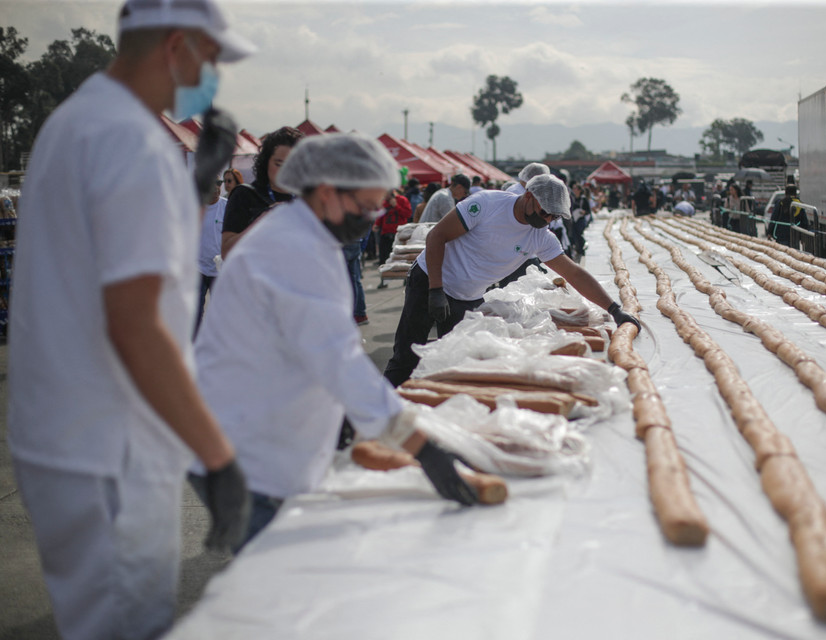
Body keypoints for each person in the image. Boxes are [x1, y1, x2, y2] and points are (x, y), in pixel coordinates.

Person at [7, 2, 254, 638]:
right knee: (125, 625)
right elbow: (137, 325)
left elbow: (105, 255)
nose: (215, 74)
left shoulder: (79, 121)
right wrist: (217, 455)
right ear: (178, 46)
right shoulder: (133, 143)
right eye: (213, 58)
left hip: (69, 429)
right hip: (109, 438)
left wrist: (194, 185)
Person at [192, 133, 479, 549]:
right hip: (249, 449)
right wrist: (424, 449)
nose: (369, 218)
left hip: (262, 431)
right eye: (364, 207)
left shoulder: (305, 235)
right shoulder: (294, 249)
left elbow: (314, 346)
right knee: (279, 579)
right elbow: (338, 361)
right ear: (327, 191)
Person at [383, 173, 642, 387]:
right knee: (407, 355)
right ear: (529, 196)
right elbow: (437, 237)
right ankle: (379, 415)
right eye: (545, 212)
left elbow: (573, 273)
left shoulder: (541, 236)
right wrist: (436, 289)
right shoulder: (486, 205)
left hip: (467, 297)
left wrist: (614, 309)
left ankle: (426, 418)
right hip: (430, 280)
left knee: (454, 363)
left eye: (554, 217)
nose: (548, 220)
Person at [220, 126, 302, 259]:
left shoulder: (306, 199)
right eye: (279, 164)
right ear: (266, 162)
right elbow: (226, 252)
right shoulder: (244, 195)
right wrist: (259, 223)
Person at [196, 184, 227, 336]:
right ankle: (193, 346)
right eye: (212, 186)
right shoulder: (197, 208)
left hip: (219, 270)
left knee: (220, 312)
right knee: (195, 312)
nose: (215, 189)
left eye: (219, 185)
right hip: (199, 268)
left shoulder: (226, 206)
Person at [374, 188, 412, 267]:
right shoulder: (383, 202)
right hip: (385, 233)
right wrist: (377, 224)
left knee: (399, 257)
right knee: (384, 258)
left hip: (398, 233)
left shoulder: (402, 200)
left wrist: (396, 206)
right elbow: (381, 215)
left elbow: (408, 214)